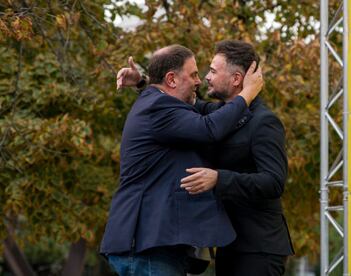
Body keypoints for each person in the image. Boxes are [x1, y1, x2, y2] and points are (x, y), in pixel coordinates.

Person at [100, 44, 263, 276]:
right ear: (172, 80)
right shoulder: (159, 107)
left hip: (151, 246)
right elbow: (210, 128)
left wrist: (142, 82)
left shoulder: (157, 101)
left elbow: (192, 111)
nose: (199, 81)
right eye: (194, 74)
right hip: (149, 248)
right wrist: (248, 93)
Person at [180, 40, 295, 275]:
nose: (207, 77)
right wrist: (142, 83)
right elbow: (182, 102)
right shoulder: (219, 114)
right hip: (229, 246)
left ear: (236, 80)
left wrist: (219, 179)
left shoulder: (264, 122)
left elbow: (274, 182)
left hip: (259, 250)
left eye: (213, 71)